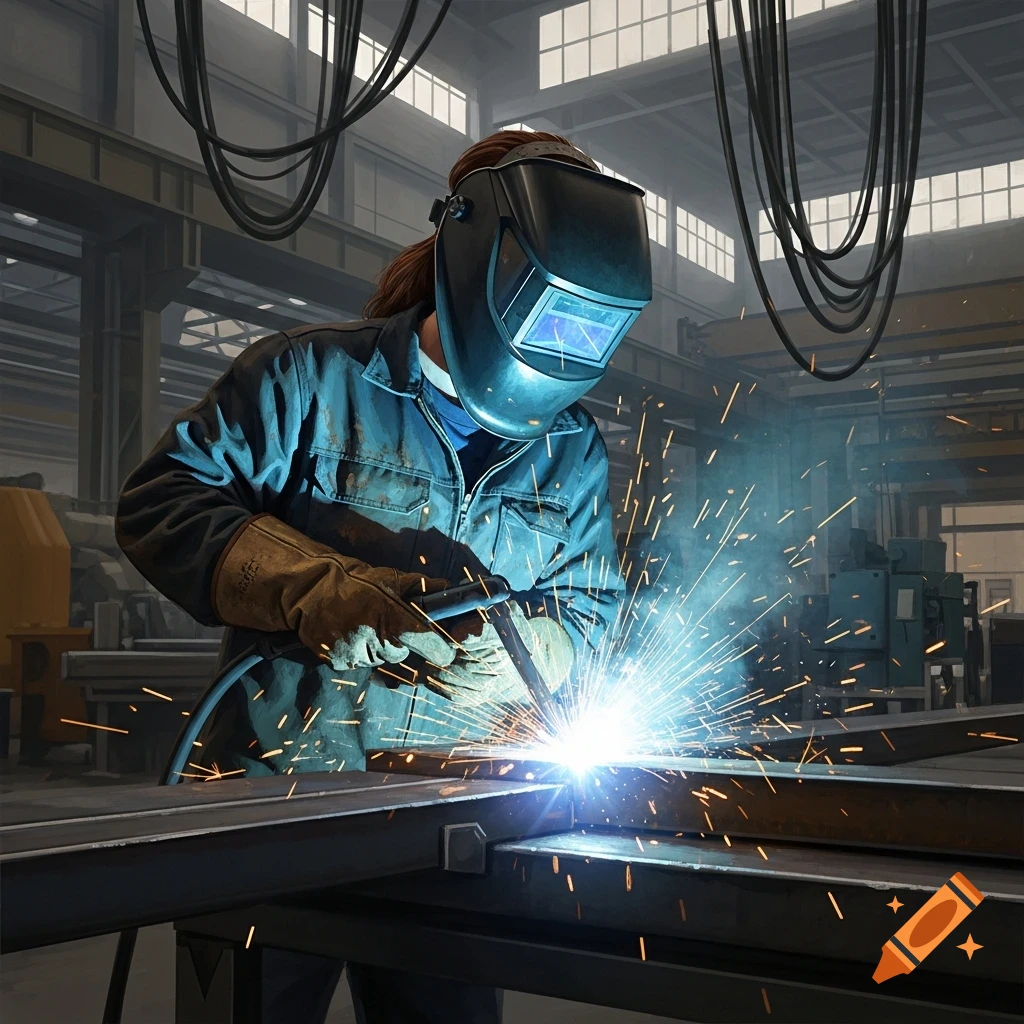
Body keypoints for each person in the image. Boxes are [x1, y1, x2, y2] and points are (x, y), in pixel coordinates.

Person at [116, 129, 652, 1024]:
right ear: (477, 262)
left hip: (454, 824)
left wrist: (530, 650)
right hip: (277, 808)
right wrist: (316, 590)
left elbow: (592, 608)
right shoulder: (310, 377)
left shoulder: (570, 448)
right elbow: (160, 502)